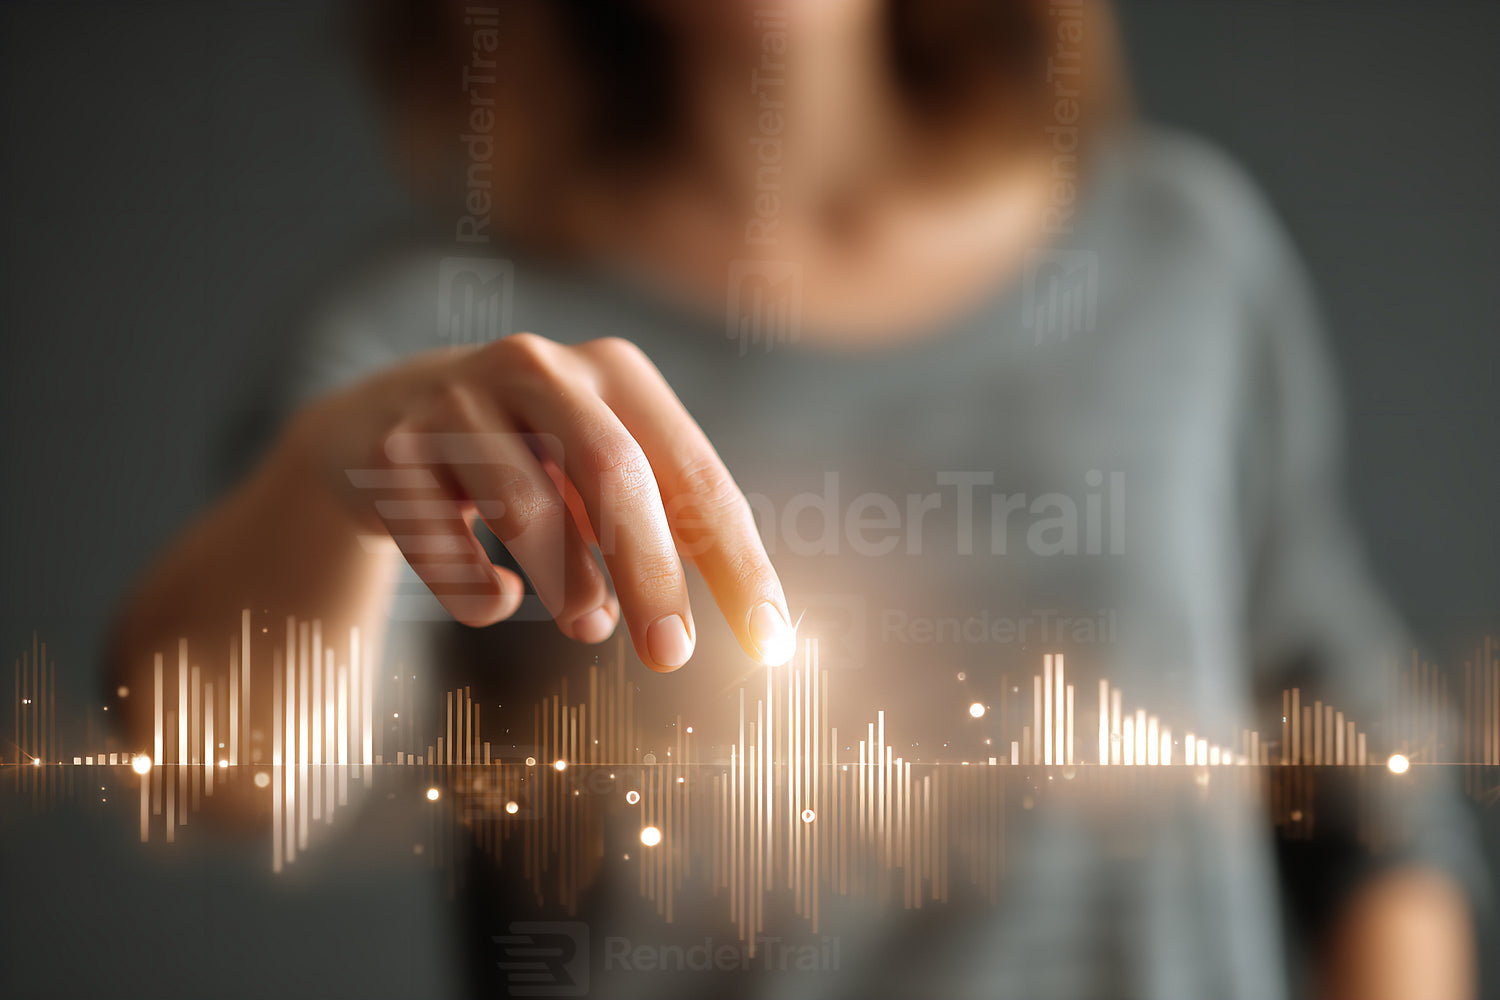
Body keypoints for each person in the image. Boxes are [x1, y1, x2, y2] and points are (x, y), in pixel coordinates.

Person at [112, 2, 1478, 997]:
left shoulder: (1180, 256)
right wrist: (343, 470)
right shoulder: (430, 338)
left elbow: (1354, 743)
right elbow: (219, 763)